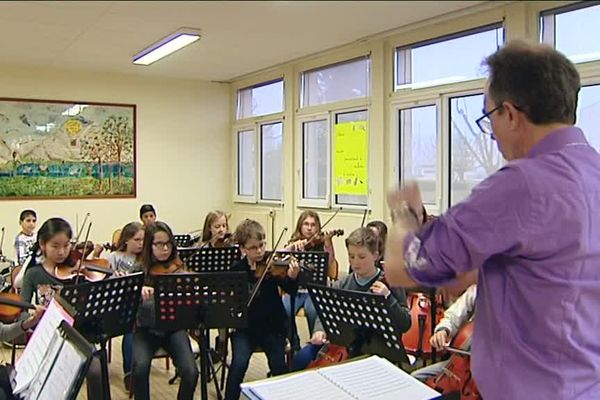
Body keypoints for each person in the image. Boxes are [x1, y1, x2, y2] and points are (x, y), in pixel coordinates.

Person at [384, 41, 600, 399]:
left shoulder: (521, 185)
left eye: (490, 118)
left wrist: (403, 218)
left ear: (511, 114)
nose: (494, 134)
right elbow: (479, 272)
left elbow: (402, 269)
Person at [292, 227, 411, 371]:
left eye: (362, 257)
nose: (355, 262)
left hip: (379, 350)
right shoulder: (343, 283)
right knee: (300, 359)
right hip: (345, 346)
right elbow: (325, 310)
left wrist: (388, 297)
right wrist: (320, 330)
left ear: (376, 255)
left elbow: (405, 323)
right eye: (351, 256)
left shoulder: (391, 283)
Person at [225, 219, 300, 400]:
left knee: (279, 366)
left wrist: (293, 277)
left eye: (262, 245)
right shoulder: (237, 270)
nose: (259, 251)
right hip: (245, 328)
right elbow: (231, 300)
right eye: (253, 248)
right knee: (238, 364)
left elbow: (290, 289)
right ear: (243, 249)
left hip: (271, 326)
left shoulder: (272, 266)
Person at [131, 221, 198, 400]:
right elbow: (129, 305)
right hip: (145, 330)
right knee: (140, 368)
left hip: (174, 328)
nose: (165, 248)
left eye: (168, 243)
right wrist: (138, 291)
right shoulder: (139, 269)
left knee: (191, 371)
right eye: (159, 244)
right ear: (149, 246)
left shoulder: (178, 267)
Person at [283, 211, 339, 350]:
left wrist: (328, 242)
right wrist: (292, 248)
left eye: (313, 225)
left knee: (313, 310)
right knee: (284, 308)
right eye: (306, 224)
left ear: (318, 227)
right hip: (295, 289)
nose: (309, 228)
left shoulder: (321, 244)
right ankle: (294, 345)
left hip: (314, 290)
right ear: (300, 226)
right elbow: (281, 260)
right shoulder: (294, 243)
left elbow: (331, 264)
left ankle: (315, 346)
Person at [106, 221, 144, 390]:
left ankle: (135, 373)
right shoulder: (114, 257)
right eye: (137, 240)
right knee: (131, 325)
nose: (141, 244)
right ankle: (129, 373)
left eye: (143, 240)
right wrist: (115, 278)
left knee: (134, 324)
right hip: (118, 305)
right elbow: (105, 284)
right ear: (127, 240)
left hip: (140, 305)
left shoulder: (146, 259)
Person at [411, 285, 476, 381]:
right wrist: (443, 330)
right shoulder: (477, 290)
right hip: (462, 363)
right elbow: (454, 315)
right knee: (416, 378)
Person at [20, 218, 71, 305]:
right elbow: (22, 309)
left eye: (66, 245)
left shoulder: (76, 272)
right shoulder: (33, 273)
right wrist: (34, 316)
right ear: (42, 244)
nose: (61, 252)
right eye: (55, 246)